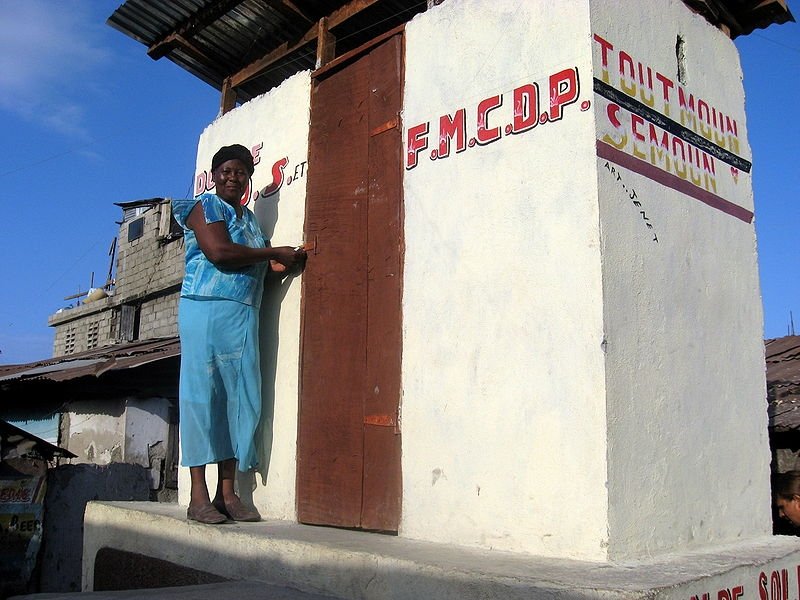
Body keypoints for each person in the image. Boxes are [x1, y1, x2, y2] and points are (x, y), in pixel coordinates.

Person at [172, 143, 306, 524]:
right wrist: (270, 253)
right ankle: (198, 497)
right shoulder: (204, 207)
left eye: (240, 172)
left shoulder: (248, 220)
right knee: (202, 397)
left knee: (238, 398)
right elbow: (218, 252)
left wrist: (286, 260)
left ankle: (227, 494)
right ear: (214, 176)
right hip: (206, 311)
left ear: (248, 178)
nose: (233, 177)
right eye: (226, 171)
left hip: (243, 315)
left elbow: (257, 264)